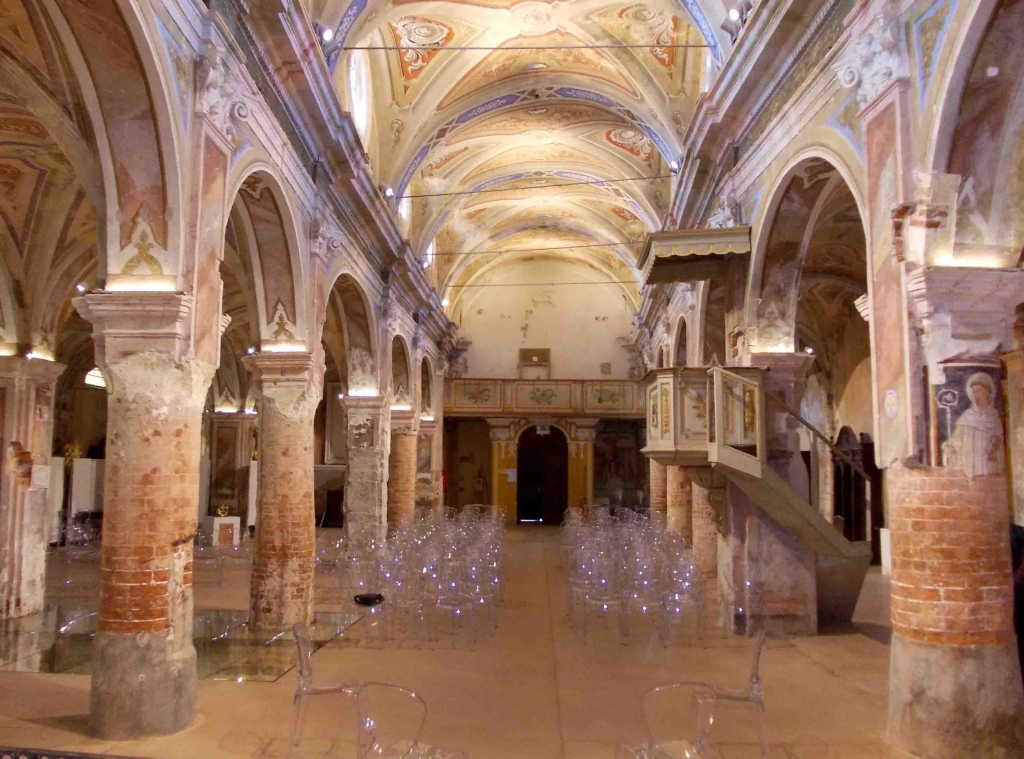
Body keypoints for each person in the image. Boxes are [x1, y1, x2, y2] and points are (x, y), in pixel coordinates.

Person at [942, 372, 1004, 476]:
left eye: (979, 391)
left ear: (988, 392)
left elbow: (1001, 441)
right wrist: (950, 448)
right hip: (970, 468)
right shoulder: (967, 416)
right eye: (974, 392)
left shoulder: (994, 416)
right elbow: (955, 441)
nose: (976, 395)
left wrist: (995, 447)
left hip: (989, 468)